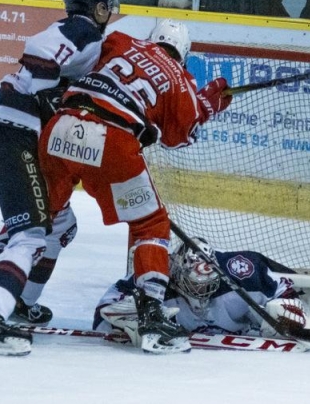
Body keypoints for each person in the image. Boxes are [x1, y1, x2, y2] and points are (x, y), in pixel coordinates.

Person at [35, 19, 233, 354]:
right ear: (182, 53)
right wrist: (206, 105)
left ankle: (11, 298)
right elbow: (177, 137)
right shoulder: (179, 77)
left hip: (60, 124)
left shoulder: (119, 40)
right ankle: (153, 318)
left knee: (44, 219)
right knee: (150, 224)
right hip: (111, 139)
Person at [0, 0, 120, 357]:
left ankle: (16, 301)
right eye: (108, 7)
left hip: (14, 136)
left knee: (61, 226)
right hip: (15, 136)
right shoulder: (82, 30)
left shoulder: (80, 30)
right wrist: (48, 96)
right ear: (98, 8)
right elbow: (39, 53)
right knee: (31, 233)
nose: (110, 14)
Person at [94, 237, 307, 339]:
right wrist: (128, 319)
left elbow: (285, 292)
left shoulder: (243, 272)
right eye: (194, 284)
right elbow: (103, 312)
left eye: (208, 284)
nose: (202, 292)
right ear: (177, 275)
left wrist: (286, 310)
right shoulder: (156, 279)